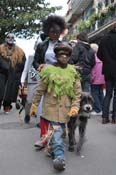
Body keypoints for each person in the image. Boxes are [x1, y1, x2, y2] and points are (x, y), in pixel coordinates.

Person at [30, 42, 81, 171]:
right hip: (51, 109)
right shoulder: (48, 70)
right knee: (57, 132)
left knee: (60, 133)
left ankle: (51, 148)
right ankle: (59, 158)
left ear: (69, 56)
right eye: (61, 54)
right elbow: (40, 90)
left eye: (66, 55)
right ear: (56, 56)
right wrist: (34, 105)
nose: (64, 57)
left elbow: (77, 93)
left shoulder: (73, 71)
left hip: (66, 110)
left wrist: (75, 107)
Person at [32, 14, 67, 143]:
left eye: (58, 32)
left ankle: (57, 134)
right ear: (48, 32)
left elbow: (70, 61)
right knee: (43, 108)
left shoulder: (64, 45)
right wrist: (39, 66)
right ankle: (44, 137)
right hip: (46, 78)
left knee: (59, 106)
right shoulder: (42, 45)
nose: (55, 34)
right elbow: (35, 62)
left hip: (60, 79)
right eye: (52, 32)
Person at [0, 33, 26, 113]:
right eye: (8, 37)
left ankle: (7, 106)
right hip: (1, 73)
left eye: (12, 37)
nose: (10, 38)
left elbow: (23, 63)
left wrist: (18, 73)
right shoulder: (0, 48)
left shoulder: (20, 51)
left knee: (10, 91)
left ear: (14, 39)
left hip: (13, 74)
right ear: (6, 38)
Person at [97, 29, 116, 124]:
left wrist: (107, 60)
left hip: (108, 69)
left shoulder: (104, 39)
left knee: (108, 94)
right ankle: (114, 118)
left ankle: (104, 117)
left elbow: (99, 55)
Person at [90, 43, 105, 116]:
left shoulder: (93, 59)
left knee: (94, 94)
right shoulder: (101, 58)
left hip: (95, 80)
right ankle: (102, 108)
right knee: (100, 93)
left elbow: (93, 71)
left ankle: (97, 109)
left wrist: (91, 79)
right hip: (102, 79)